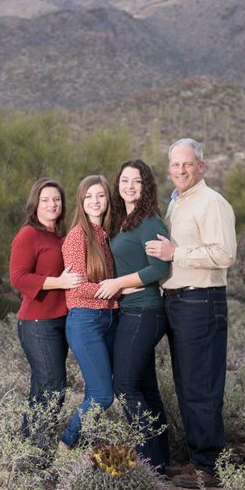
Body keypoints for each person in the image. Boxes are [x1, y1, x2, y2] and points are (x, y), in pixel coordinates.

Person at [145, 138, 236, 489]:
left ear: (202, 166)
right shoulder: (178, 203)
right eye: (175, 165)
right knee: (187, 385)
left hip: (202, 300)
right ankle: (198, 461)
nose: (181, 170)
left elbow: (224, 254)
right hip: (178, 302)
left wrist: (176, 253)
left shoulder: (212, 203)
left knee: (202, 386)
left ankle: (208, 467)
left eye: (187, 164)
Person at [93, 159, 172, 471]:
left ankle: (147, 460)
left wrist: (118, 284)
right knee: (145, 388)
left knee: (124, 386)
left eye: (136, 181)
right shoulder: (122, 221)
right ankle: (161, 461)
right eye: (124, 180)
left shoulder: (149, 222)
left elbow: (159, 268)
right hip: (130, 311)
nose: (129, 186)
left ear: (146, 186)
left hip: (145, 311)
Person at [9, 178, 82, 447]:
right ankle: (39, 448)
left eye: (57, 200)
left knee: (42, 386)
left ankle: (28, 447)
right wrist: (59, 282)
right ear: (35, 204)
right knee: (53, 386)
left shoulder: (60, 235)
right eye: (45, 200)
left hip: (59, 320)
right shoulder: (29, 234)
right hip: (37, 323)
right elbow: (18, 277)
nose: (52, 204)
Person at [59, 174, 119, 449]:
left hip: (108, 319)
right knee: (101, 396)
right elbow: (76, 288)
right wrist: (119, 289)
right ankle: (66, 445)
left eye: (100, 196)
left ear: (108, 199)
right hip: (85, 321)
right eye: (88, 197)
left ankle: (81, 445)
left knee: (111, 391)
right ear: (80, 202)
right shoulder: (76, 237)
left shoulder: (105, 235)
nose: (95, 202)